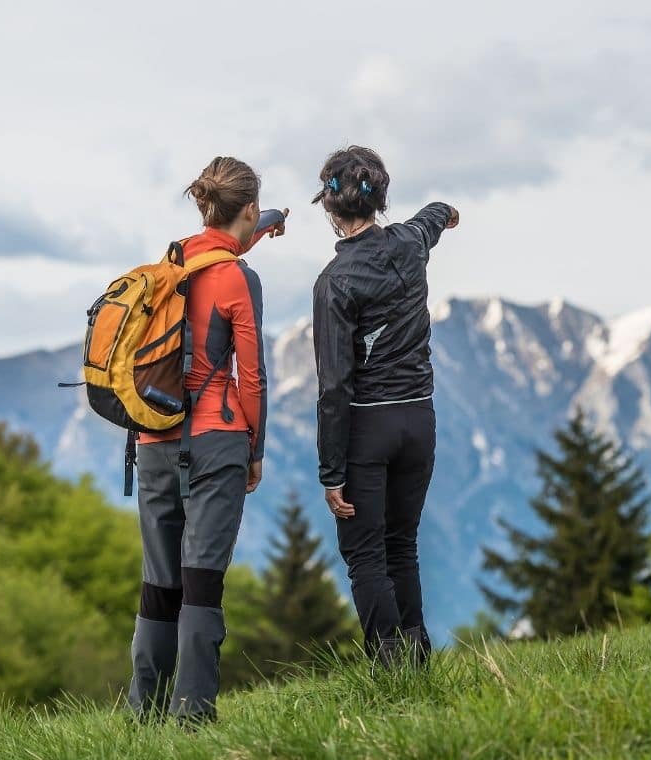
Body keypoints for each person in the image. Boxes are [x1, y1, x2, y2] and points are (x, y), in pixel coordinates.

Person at [128, 156, 285, 723]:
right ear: (244, 208)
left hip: (151, 439)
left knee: (158, 584)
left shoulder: (172, 262)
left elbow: (224, 245)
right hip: (217, 441)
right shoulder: (239, 278)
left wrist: (265, 222)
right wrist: (255, 449)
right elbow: (254, 375)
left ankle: (142, 711)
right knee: (201, 584)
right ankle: (193, 715)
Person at [311, 145, 459, 668]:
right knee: (403, 544)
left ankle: (392, 668)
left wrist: (331, 471)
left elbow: (333, 386)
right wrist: (449, 213)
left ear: (330, 209)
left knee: (366, 555)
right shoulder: (412, 241)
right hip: (420, 418)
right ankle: (418, 659)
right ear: (381, 198)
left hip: (368, 427)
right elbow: (435, 215)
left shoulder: (334, 283)